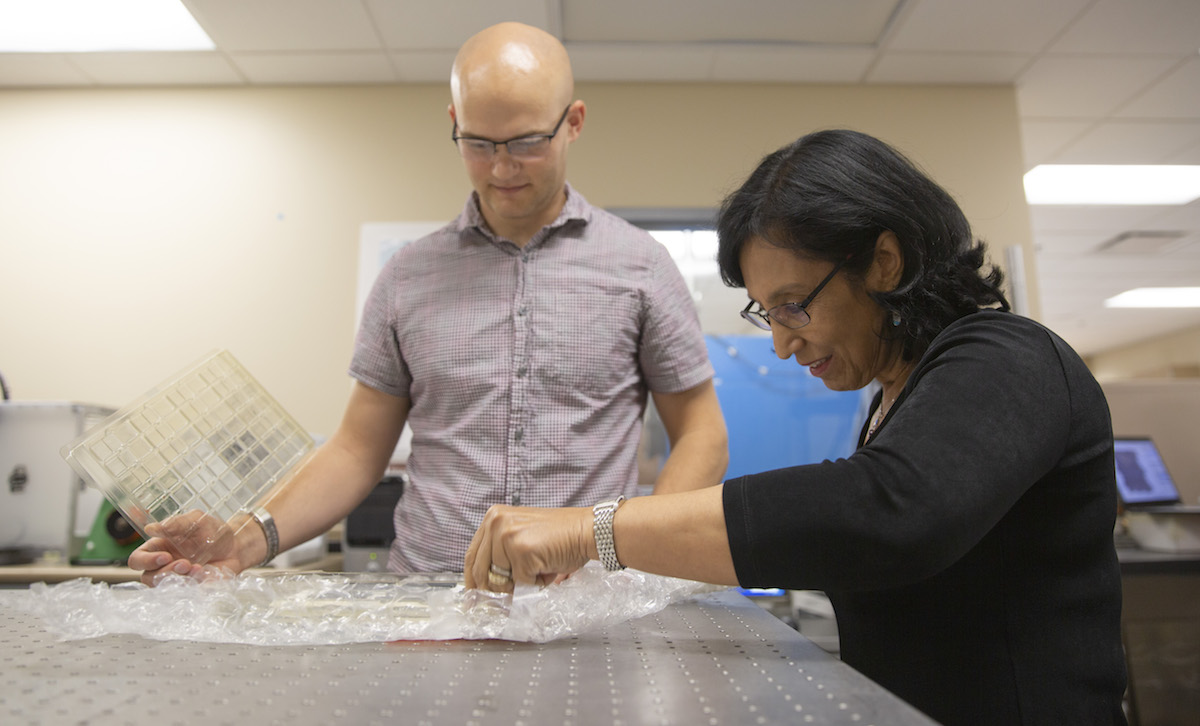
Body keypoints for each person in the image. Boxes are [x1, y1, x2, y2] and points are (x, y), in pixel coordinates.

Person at [464, 129, 1128, 725]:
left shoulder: (1010, 356)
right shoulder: (895, 400)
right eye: (768, 315)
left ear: (883, 262)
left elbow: (887, 512)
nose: (782, 345)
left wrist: (594, 530)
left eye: (794, 307)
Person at [128, 22, 727, 580]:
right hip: (431, 597)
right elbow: (358, 449)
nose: (501, 167)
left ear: (573, 121)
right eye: (477, 142)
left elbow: (702, 433)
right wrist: (245, 539)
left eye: (525, 141)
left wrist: (633, 561)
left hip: (590, 601)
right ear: (454, 121)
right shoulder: (408, 276)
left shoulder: (641, 265)